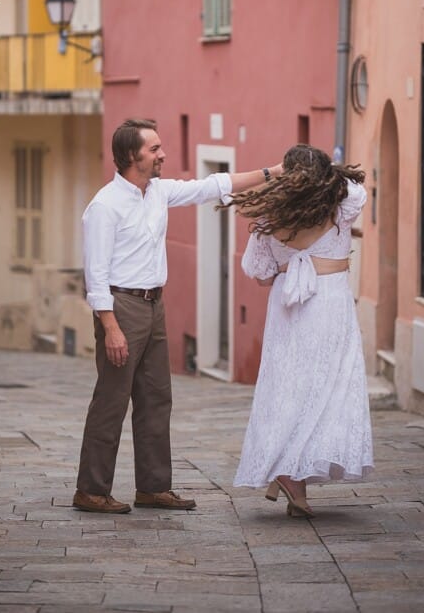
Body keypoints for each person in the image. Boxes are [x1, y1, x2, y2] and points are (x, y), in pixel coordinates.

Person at [73, 118, 283, 514]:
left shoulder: (158, 192)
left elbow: (212, 186)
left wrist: (271, 173)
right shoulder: (104, 206)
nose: (162, 154)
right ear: (132, 156)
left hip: (154, 307)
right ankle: (91, 490)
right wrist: (110, 326)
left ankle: (153, 488)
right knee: (112, 400)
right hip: (122, 307)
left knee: (156, 399)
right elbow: (95, 275)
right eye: (154, 149)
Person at [228, 144, 373, 518]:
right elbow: (358, 189)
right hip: (331, 303)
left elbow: (257, 273)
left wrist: (288, 263)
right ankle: (293, 473)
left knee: (288, 386)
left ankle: (289, 471)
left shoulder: (271, 219)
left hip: (289, 306)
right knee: (330, 386)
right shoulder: (343, 206)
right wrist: (325, 173)